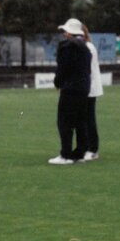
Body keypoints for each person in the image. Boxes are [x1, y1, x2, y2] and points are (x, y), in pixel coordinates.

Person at [50, 18, 92, 165]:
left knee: (65, 122)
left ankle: (66, 155)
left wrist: (57, 82)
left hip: (70, 89)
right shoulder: (86, 48)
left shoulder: (66, 47)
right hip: (83, 88)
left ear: (69, 33)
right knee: (81, 122)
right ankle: (80, 153)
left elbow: (63, 68)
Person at [82, 24, 103, 161]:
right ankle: (86, 147)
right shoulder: (87, 46)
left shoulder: (88, 47)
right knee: (84, 119)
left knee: (89, 119)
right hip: (85, 87)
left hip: (89, 88)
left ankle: (93, 149)